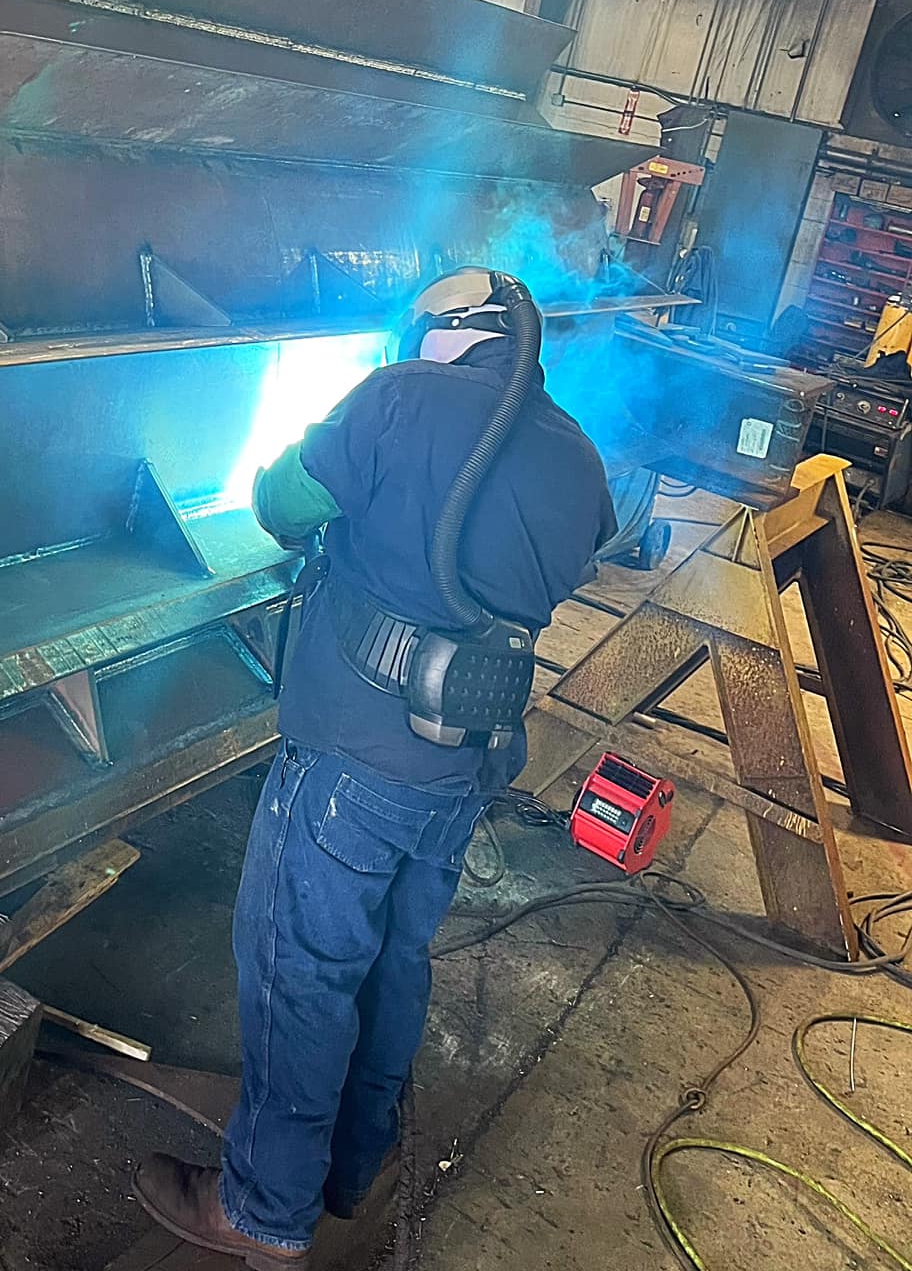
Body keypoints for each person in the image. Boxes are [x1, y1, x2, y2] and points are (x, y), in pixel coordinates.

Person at [133, 267, 616, 1269]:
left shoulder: (400, 396)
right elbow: (567, 563)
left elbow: (280, 499)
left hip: (355, 754)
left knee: (301, 971)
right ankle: (354, 1163)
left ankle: (264, 1209)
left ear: (444, 329)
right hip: (468, 756)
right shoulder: (576, 452)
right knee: (396, 959)